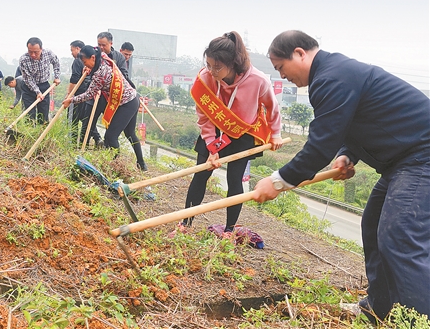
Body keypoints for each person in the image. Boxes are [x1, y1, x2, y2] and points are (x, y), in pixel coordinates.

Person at [252, 30, 430, 323]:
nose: (282, 77)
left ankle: (419, 320)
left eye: (281, 68)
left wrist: (277, 181)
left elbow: (320, 144)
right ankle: (378, 309)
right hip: (403, 162)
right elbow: (352, 123)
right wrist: (347, 155)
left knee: (400, 236)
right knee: (374, 225)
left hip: (420, 157)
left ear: (299, 53)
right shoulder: (334, 73)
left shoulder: (331, 77)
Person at [170, 31, 283, 238]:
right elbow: (204, 117)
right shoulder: (205, 79)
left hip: (242, 133)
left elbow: (272, 107)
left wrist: (275, 134)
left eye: (217, 67)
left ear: (233, 63)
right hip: (214, 131)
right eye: (209, 64)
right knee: (200, 175)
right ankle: (185, 224)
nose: (212, 71)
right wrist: (212, 147)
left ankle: (229, 230)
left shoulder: (258, 80)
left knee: (234, 180)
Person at [62, 45, 146, 170]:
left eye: (86, 62)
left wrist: (71, 100)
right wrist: (88, 66)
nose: (86, 66)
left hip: (127, 103)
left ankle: (116, 167)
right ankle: (142, 165)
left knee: (110, 137)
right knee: (130, 134)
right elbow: (98, 50)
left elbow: (89, 94)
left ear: (92, 58)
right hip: (133, 98)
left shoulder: (100, 74)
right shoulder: (102, 57)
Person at [79, 31, 133, 148]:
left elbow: (124, 76)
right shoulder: (93, 55)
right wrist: (95, 86)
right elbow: (88, 77)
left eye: (104, 45)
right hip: (95, 96)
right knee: (87, 123)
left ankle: (106, 149)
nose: (101, 47)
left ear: (111, 43)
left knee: (110, 126)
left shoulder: (119, 57)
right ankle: (82, 147)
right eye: (99, 44)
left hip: (110, 99)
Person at [66, 40, 101, 146]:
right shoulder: (95, 61)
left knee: (73, 119)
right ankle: (96, 138)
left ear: (78, 49)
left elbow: (74, 79)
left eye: (72, 50)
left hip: (80, 94)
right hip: (88, 94)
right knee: (85, 118)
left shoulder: (78, 61)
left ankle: (73, 143)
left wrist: (69, 94)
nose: (71, 53)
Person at [18, 37, 61, 125]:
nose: (33, 55)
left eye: (36, 52)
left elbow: (56, 63)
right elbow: (28, 79)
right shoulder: (23, 59)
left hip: (44, 86)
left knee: (43, 114)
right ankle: (29, 134)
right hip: (28, 88)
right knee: (30, 114)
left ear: (41, 49)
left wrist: (57, 77)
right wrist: (37, 92)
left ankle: (41, 133)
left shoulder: (48, 53)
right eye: (30, 51)